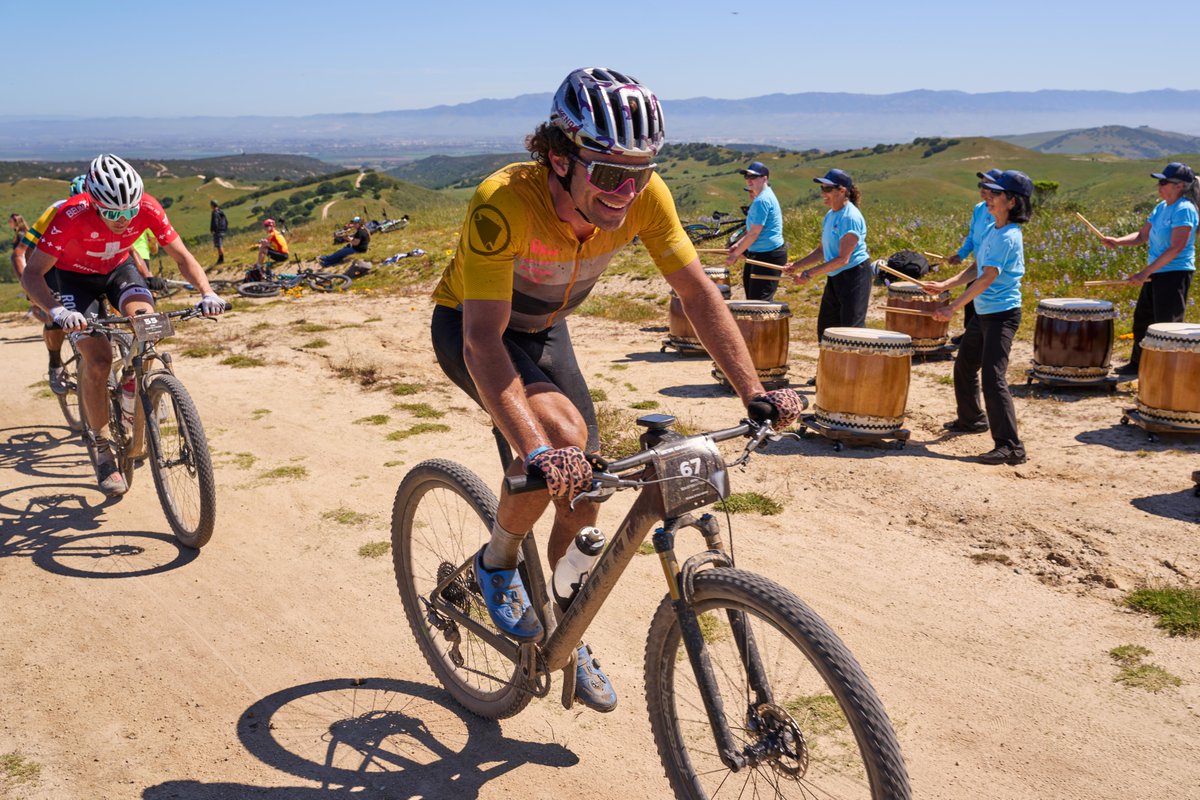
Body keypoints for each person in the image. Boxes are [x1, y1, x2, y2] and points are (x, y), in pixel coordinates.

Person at [430, 67, 802, 713]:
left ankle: (566, 637)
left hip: (546, 328)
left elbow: (697, 293)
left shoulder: (644, 196)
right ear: (557, 157)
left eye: (641, 171)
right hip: (476, 328)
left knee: (586, 493)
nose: (626, 191)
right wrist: (535, 448)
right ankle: (497, 561)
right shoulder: (504, 202)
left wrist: (755, 392)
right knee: (557, 447)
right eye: (607, 173)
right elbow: (483, 343)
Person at [20, 154, 225, 495]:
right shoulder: (71, 214)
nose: (122, 219)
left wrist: (207, 292)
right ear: (94, 203)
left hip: (118, 271)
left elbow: (182, 257)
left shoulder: (147, 207)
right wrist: (57, 312)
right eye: (113, 213)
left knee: (147, 322)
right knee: (98, 361)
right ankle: (101, 450)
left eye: (129, 211)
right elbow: (32, 274)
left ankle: (140, 383)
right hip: (75, 281)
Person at [922, 170, 1033, 466]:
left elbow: (986, 278)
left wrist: (952, 307)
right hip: (984, 313)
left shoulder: (1008, 236)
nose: (988, 197)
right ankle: (971, 420)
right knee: (965, 365)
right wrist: (944, 285)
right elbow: (976, 268)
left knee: (993, 378)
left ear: (1011, 201)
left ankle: (1011, 446)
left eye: (995, 194)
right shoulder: (993, 231)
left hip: (1002, 315)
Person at [1101, 161, 1197, 375]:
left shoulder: (1185, 209)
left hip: (1175, 273)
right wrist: (1117, 241)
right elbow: (1142, 236)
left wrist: (1145, 272)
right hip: (1157, 272)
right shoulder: (1160, 207)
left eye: (1164, 182)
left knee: (1167, 326)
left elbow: (1177, 247)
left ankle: (1166, 372)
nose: (1159, 186)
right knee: (1143, 321)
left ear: (1179, 185)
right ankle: (1139, 365)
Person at [785, 168, 871, 383]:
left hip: (854, 276)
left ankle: (851, 378)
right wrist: (797, 265)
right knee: (826, 328)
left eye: (827, 188)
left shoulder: (850, 217)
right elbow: (822, 250)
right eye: (822, 188)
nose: (823, 192)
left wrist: (809, 273)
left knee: (850, 329)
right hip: (836, 276)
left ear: (843, 191)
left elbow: (843, 258)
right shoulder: (831, 215)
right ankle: (828, 372)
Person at [12, 174, 90, 393]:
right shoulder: (56, 211)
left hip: (82, 265)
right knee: (54, 316)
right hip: (51, 266)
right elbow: (19, 254)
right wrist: (31, 291)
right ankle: (55, 364)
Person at [947, 168, 1003, 344]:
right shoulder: (979, 209)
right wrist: (960, 255)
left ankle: (984, 338)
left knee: (985, 304)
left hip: (991, 266)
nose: (982, 189)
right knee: (971, 303)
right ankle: (969, 335)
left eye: (987, 185)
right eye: (981, 185)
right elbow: (972, 236)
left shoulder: (1001, 212)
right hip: (977, 265)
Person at [725, 161, 786, 300]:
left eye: (753, 177)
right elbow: (751, 229)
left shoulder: (762, 200)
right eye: (747, 177)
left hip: (768, 255)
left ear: (765, 178)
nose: (749, 180)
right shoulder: (760, 198)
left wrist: (735, 255)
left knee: (759, 304)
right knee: (753, 300)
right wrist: (738, 245)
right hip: (758, 253)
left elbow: (754, 233)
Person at [9, 214, 28, 280]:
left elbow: (24, 252)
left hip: (24, 264)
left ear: (16, 222)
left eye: (10, 221)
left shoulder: (20, 235)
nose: (9, 223)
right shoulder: (22, 234)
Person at [210, 200, 228, 266]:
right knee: (219, 244)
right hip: (222, 230)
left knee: (219, 245)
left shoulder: (215, 212)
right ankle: (220, 258)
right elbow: (226, 221)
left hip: (218, 231)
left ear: (212, 205)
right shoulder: (221, 211)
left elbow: (215, 222)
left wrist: (213, 230)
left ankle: (221, 259)